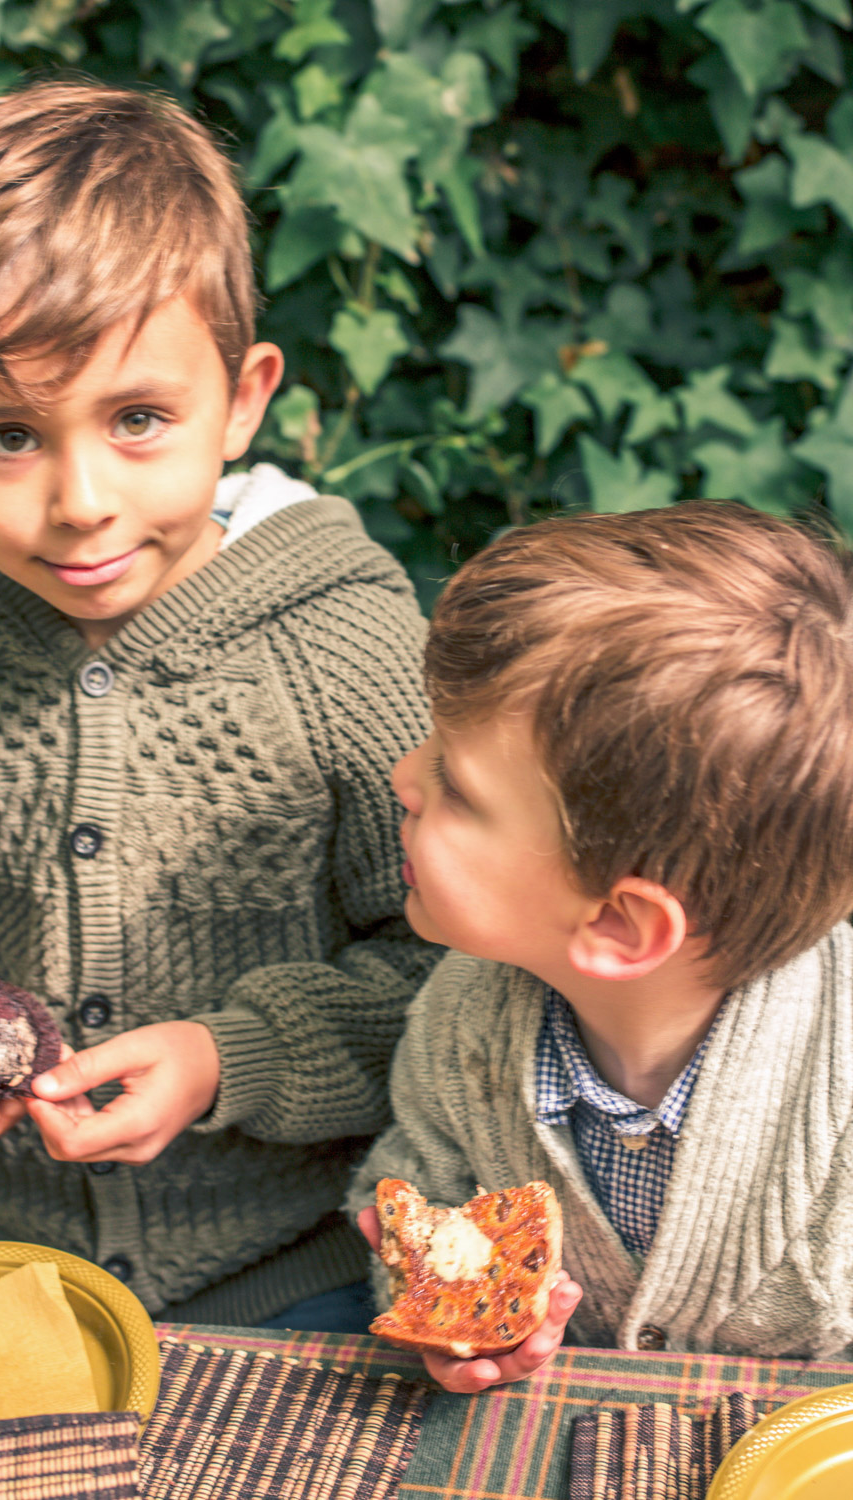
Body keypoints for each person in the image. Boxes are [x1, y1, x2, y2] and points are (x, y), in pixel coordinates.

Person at [0, 79, 438, 1332]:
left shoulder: (345, 652)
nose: (80, 500)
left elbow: (461, 970)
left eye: (137, 420)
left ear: (241, 398)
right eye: (7, 436)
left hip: (324, 1268)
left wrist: (234, 1057)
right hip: (25, 1279)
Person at [347, 501, 853, 1389]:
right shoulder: (464, 1017)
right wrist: (441, 1308)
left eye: (458, 790)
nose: (403, 777)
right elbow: (413, 1187)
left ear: (619, 925)